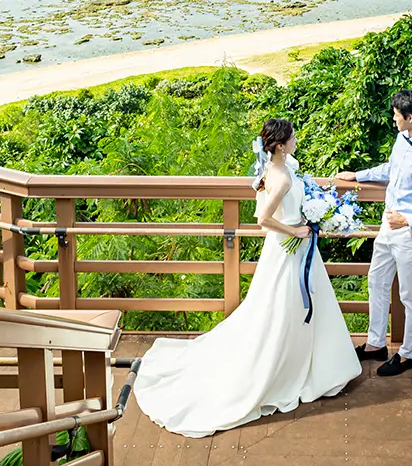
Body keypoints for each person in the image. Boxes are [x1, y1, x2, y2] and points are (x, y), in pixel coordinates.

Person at [132, 118, 360, 437]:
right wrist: (295, 228)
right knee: (282, 310)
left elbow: (294, 191)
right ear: (280, 145)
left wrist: (315, 208)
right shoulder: (279, 177)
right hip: (288, 249)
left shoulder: (282, 165)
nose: (296, 140)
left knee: (299, 306)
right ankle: (288, 371)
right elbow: (263, 219)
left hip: (298, 248)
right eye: (292, 137)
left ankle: (315, 368)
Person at [336, 88, 412, 376]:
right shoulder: (403, 138)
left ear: (410, 118)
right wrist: (358, 175)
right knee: (376, 281)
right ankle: (376, 344)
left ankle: (408, 354)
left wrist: (410, 219)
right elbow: (392, 169)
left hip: (409, 233)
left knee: (409, 295)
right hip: (387, 227)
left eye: (396, 115)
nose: (393, 119)